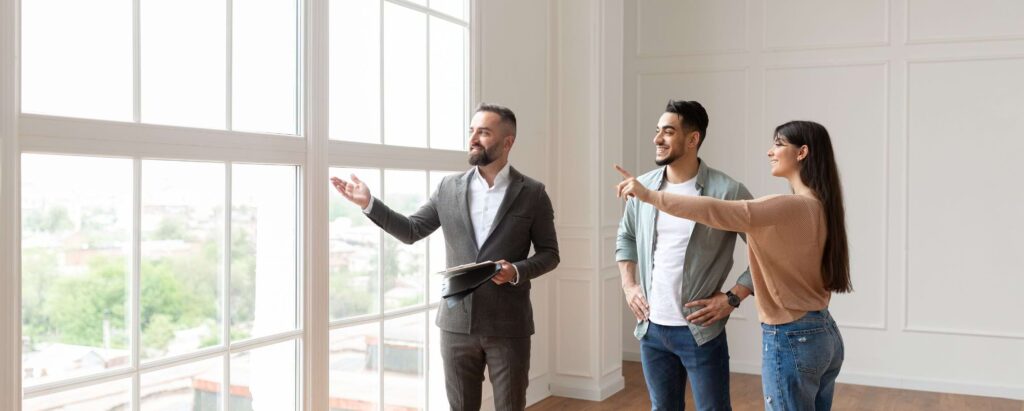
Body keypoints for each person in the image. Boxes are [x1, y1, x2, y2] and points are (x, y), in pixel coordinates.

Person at [331, 103, 559, 411]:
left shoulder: (532, 193)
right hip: (455, 326)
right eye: (472, 131)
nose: (474, 139)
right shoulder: (448, 187)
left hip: (508, 326)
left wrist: (516, 270)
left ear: (508, 142)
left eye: (484, 132)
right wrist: (370, 203)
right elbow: (412, 230)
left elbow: (550, 254)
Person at [615, 120, 852, 411]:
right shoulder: (818, 205)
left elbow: (717, 210)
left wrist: (651, 196)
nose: (770, 151)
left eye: (778, 144)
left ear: (802, 152)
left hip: (792, 337)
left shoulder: (792, 206)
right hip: (822, 333)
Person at [616, 100, 754, 411]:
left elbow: (767, 251)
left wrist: (733, 297)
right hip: (651, 329)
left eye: (667, 131)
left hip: (700, 332)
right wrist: (629, 284)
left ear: (693, 139)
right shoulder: (645, 187)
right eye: (657, 131)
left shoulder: (727, 192)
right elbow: (626, 236)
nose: (657, 139)